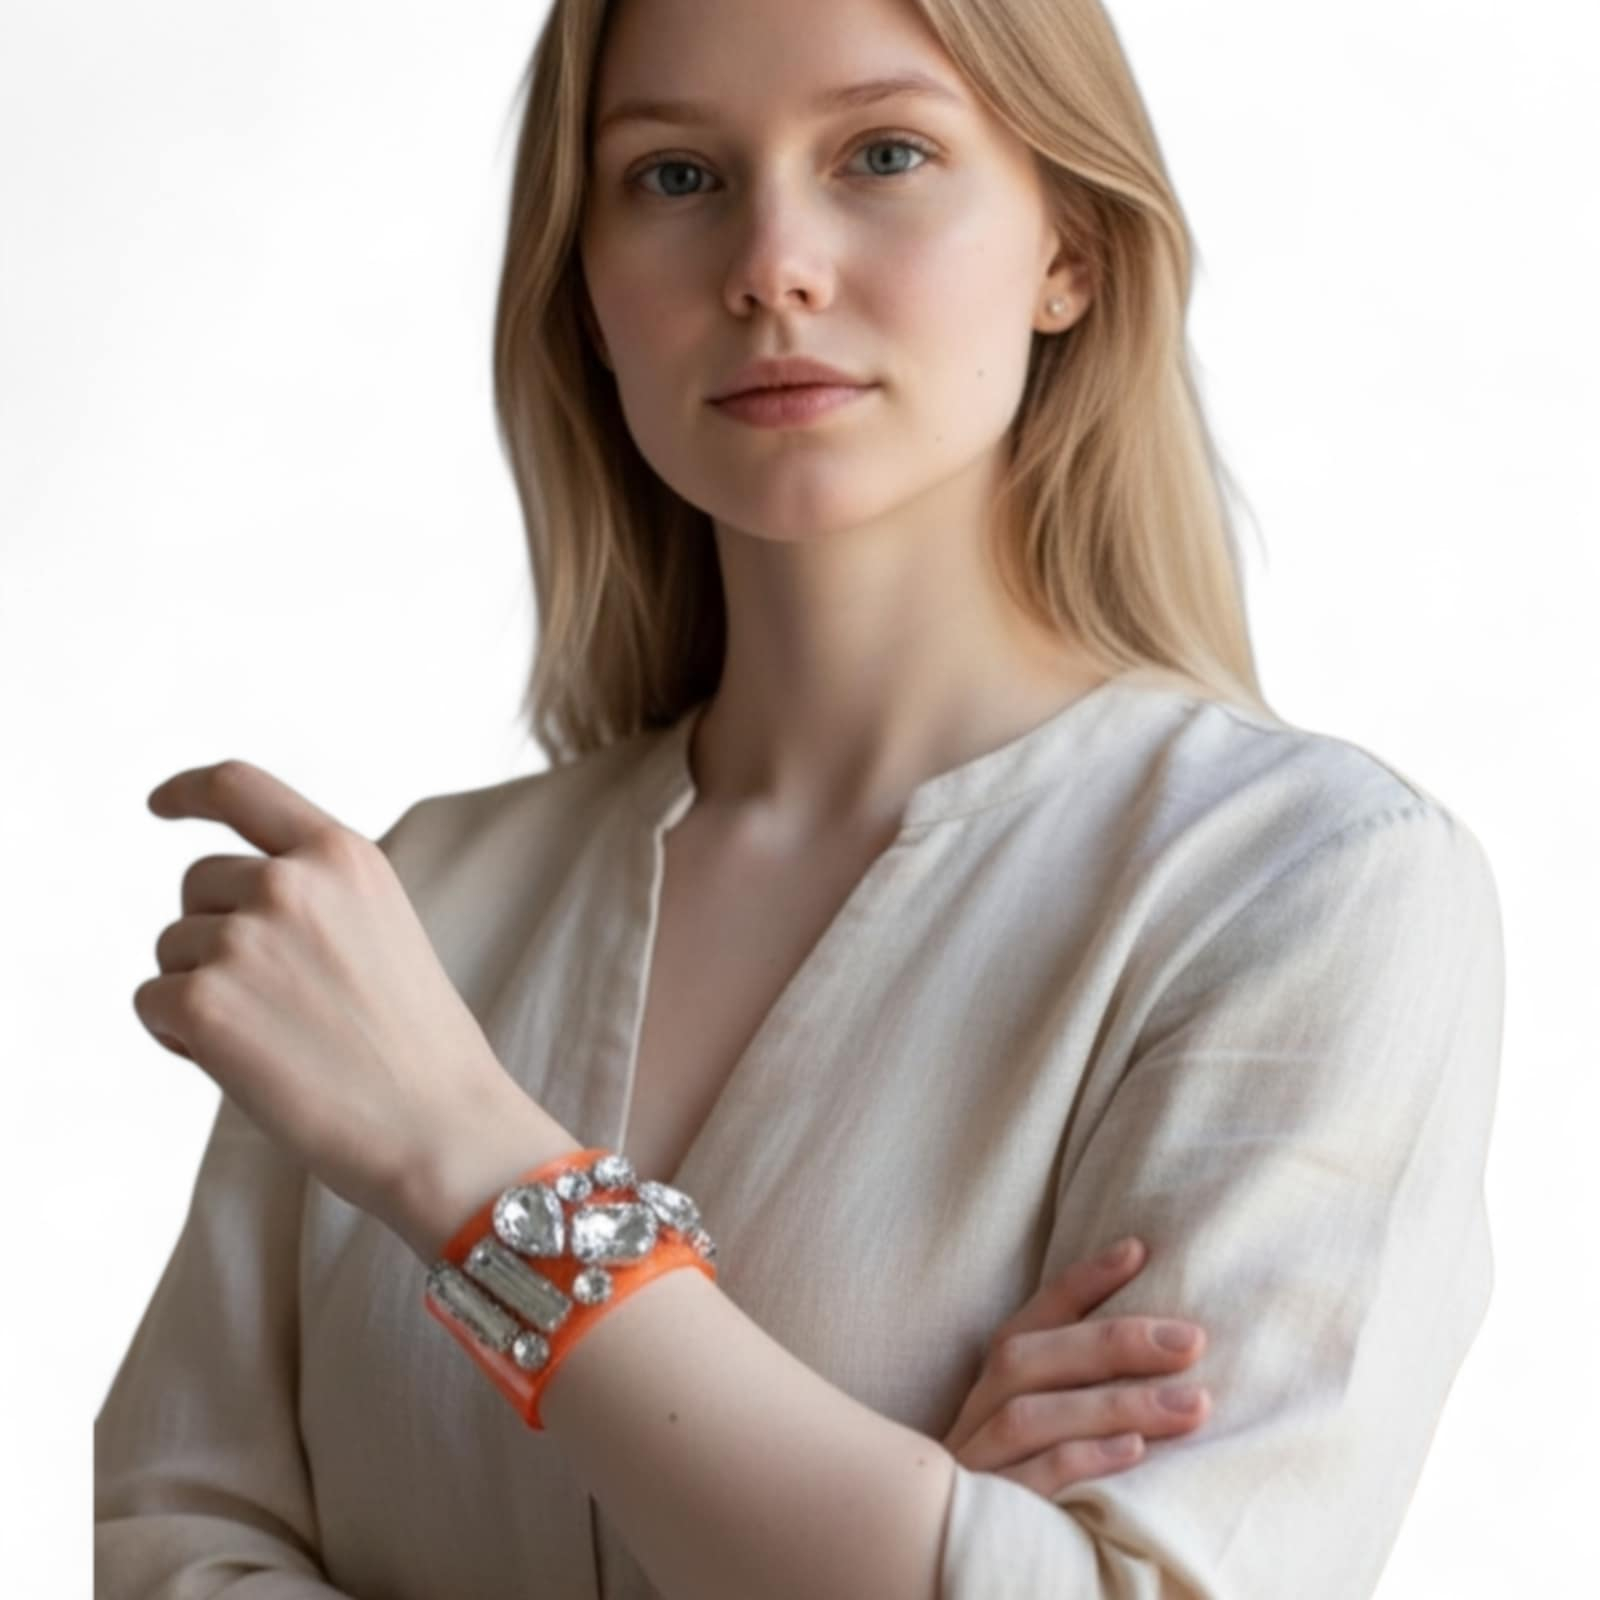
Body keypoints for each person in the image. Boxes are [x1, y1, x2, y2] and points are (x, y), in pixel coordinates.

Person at [94, 0, 1505, 1596]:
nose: (772, 266)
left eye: (883, 154)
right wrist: (909, 1531)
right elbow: (160, 1553)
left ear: (1072, 247)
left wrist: (463, 1160)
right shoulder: (410, 907)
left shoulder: (1304, 890)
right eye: (675, 176)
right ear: (588, 291)